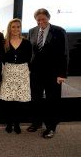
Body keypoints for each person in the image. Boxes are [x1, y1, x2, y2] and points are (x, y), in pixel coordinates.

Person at [27, 8, 69, 138]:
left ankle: (51, 127)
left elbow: (65, 53)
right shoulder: (32, 31)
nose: (41, 21)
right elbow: (31, 52)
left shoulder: (59, 31)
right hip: (35, 73)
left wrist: (62, 74)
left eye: (43, 19)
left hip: (53, 74)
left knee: (52, 101)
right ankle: (37, 123)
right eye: (38, 19)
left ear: (48, 18)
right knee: (36, 99)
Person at [0, 18, 32, 134]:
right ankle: (9, 123)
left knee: (18, 99)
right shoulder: (4, 42)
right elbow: (2, 58)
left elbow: (29, 58)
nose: (16, 29)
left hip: (22, 72)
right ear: (9, 28)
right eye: (13, 27)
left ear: (20, 28)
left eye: (18, 26)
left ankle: (17, 123)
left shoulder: (26, 42)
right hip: (8, 71)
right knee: (9, 100)